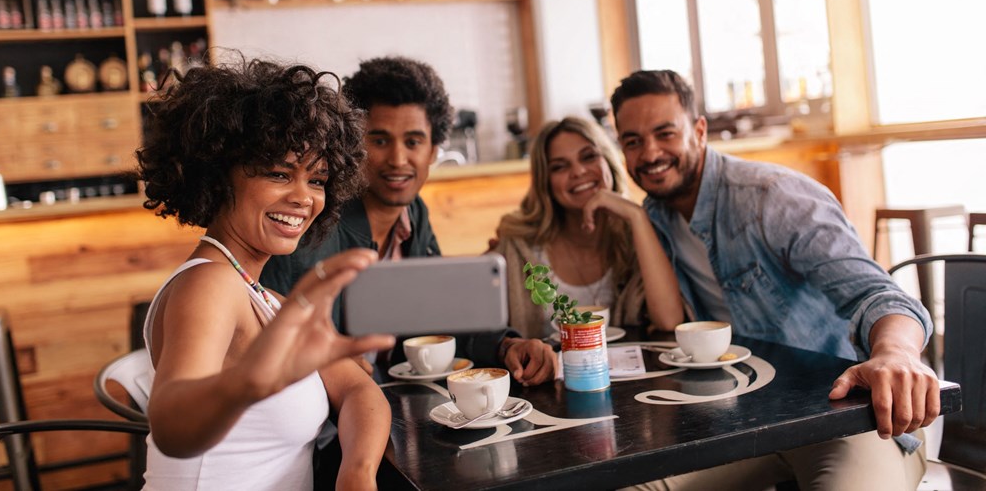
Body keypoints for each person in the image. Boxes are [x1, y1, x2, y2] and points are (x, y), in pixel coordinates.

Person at [610, 69, 939, 490]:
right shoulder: (656, 217)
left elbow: (877, 294)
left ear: (699, 130)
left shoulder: (773, 197)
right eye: (633, 141)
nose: (650, 153)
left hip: (847, 416)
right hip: (744, 423)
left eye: (665, 133)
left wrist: (895, 353)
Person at [136, 57, 395, 490]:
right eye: (279, 173)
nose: (303, 198)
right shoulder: (211, 284)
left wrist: (358, 471)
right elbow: (170, 424)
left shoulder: (263, 296)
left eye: (317, 179)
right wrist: (244, 385)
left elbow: (358, 391)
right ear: (218, 177)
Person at [262, 55, 557, 386]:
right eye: (380, 140)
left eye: (413, 141)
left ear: (433, 151)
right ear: (353, 144)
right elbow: (272, 349)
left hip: (394, 405)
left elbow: (439, 313)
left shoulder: (413, 214)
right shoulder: (310, 226)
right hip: (324, 422)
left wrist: (507, 345)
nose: (398, 159)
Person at [492, 116, 683, 339]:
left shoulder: (639, 236)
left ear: (609, 163)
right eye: (559, 167)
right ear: (546, 182)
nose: (578, 172)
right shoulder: (519, 246)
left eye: (589, 157)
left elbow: (669, 321)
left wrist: (637, 215)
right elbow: (487, 335)